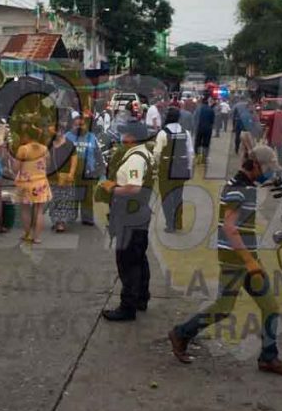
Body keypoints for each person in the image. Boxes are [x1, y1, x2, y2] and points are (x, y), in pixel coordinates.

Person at [168, 145, 282, 377]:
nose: (270, 172)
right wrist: (250, 262)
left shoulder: (246, 185)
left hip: (247, 258)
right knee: (223, 308)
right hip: (235, 259)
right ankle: (181, 333)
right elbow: (230, 229)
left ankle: (269, 358)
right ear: (256, 166)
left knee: (270, 307)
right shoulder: (238, 189)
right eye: (268, 168)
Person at [99, 122, 155, 321]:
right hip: (139, 213)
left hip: (130, 214)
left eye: (124, 133)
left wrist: (111, 188)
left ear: (132, 137)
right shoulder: (145, 153)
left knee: (127, 261)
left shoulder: (135, 159)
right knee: (139, 258)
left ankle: (127, 306)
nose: (122, 137)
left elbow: (133, 187)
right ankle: (141, 297)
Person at [154, 106, 194, 233]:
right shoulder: (185, 133)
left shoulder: (162, 133)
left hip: (166, 169)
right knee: (178, 196)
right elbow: (190, 152)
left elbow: (156, 153)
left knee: (166, 196)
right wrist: (189, 168)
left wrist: (158, 166)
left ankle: (169, 224)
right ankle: (178, 223)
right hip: (181, 169)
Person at [14, 123, 52, 244]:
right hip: (41, 182)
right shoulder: (45, 149)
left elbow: (16, 168)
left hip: (25, 183)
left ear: (26, 136)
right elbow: (49, 165)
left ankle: (28, 234)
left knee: (25, 209)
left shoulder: (23, 149)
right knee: (39, 210)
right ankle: (37, 237)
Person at [66, 112, 102, 226]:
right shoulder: (67, 137)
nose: (80, 122)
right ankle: (70, 217)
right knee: (72, 195)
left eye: (82, 120)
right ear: (72, 122)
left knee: (87, 196)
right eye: (77, 119)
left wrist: (100, 168)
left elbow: (98, 154)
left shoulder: (92, 137)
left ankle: (87, 218)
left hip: (88, 172)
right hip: (71, 172)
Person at [48, 121, 78, 233]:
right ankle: (56, 221)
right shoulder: (49, 144)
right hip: (52, 177)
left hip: (65, 177)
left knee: (64, 199)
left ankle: (61, 222)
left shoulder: (69, 144)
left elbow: (74, 159)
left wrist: (71, 173)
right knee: (53, 200)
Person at [193, 100, 217, 165]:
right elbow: (212, 121)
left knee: (197, 143)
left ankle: (197, 158)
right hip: (208, 129)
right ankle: (204, 158)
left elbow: (195, 118)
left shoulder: (198, 109)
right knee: (206, 144)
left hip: (199, 128)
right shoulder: (211, 110)